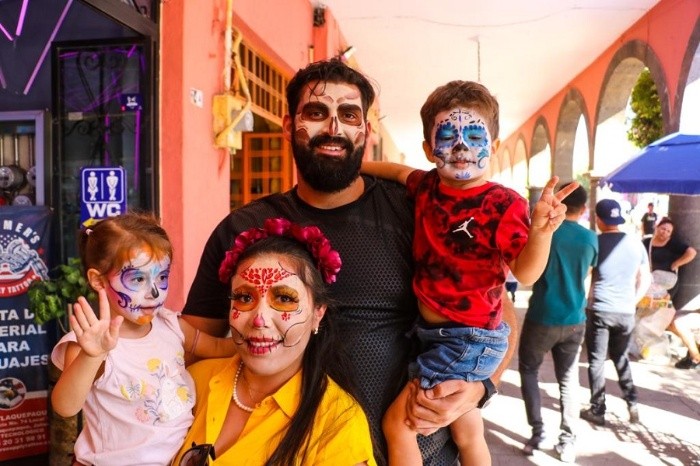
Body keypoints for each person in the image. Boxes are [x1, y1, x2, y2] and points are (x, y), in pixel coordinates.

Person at [182, 59, 519, 465]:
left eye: (349, 115)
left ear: (366, 131)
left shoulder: (418, 212)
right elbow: (192, 346)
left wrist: (481, 386)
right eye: (316, 112)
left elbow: (496, 309)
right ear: (288, 126)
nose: (333, 128)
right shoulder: (243, 229)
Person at [361, 80, 575, 466]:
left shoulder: (502, 203)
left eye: (475, 137)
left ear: (494, 146)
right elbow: (395, 170)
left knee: (400, 424)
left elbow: (526, 273)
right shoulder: (426, 187)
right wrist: (353, 167)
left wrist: (541, 233)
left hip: (467, 338)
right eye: (447, 136)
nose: (461, 147)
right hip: (442, 336)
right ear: (429, 149)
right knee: (466, 427)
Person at [173, 218, 376, 465]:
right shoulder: (192, 382)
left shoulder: (337, 424)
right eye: (244, 298)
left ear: (318, 314)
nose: (259, 319)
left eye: (284, 299)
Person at [50, 213, 236, 466]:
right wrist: (92, 355)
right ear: (98, 280)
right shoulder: (89, 345)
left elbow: (218, 347)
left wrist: (259, 340)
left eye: (162, 277)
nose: (154, 292)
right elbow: (65, 406)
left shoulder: (171, 325)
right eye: (138, 279)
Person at [517, 183, 598, 463]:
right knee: (568, 379)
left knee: (529, 371)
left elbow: (528, 270)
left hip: (542, 314)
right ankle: (567, 441)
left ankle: (537, 433)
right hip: (575, 317)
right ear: (584, 208)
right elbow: (588, 273)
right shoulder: (590, 238)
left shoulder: (543, 232)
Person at [580, 199, 652, 427]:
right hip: (625, 311)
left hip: (600, 309)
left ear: (598, 219)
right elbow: (645, 278)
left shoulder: (595, 242)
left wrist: (584, 301)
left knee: (596, 361)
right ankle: (632, 403)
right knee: (621, 358)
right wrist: (633, 301)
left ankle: (598, 409)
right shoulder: (636, 243)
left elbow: (585, 276)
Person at [642, 217, 696, 302]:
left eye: (668, 231)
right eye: (663, 229)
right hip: (650, 282)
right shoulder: (647, 242)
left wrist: (677, 264)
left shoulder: (673, 243)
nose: (665, 232)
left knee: (661, 307)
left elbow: (692, 252)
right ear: (656, 227)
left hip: (667, 283)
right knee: (646, 305)